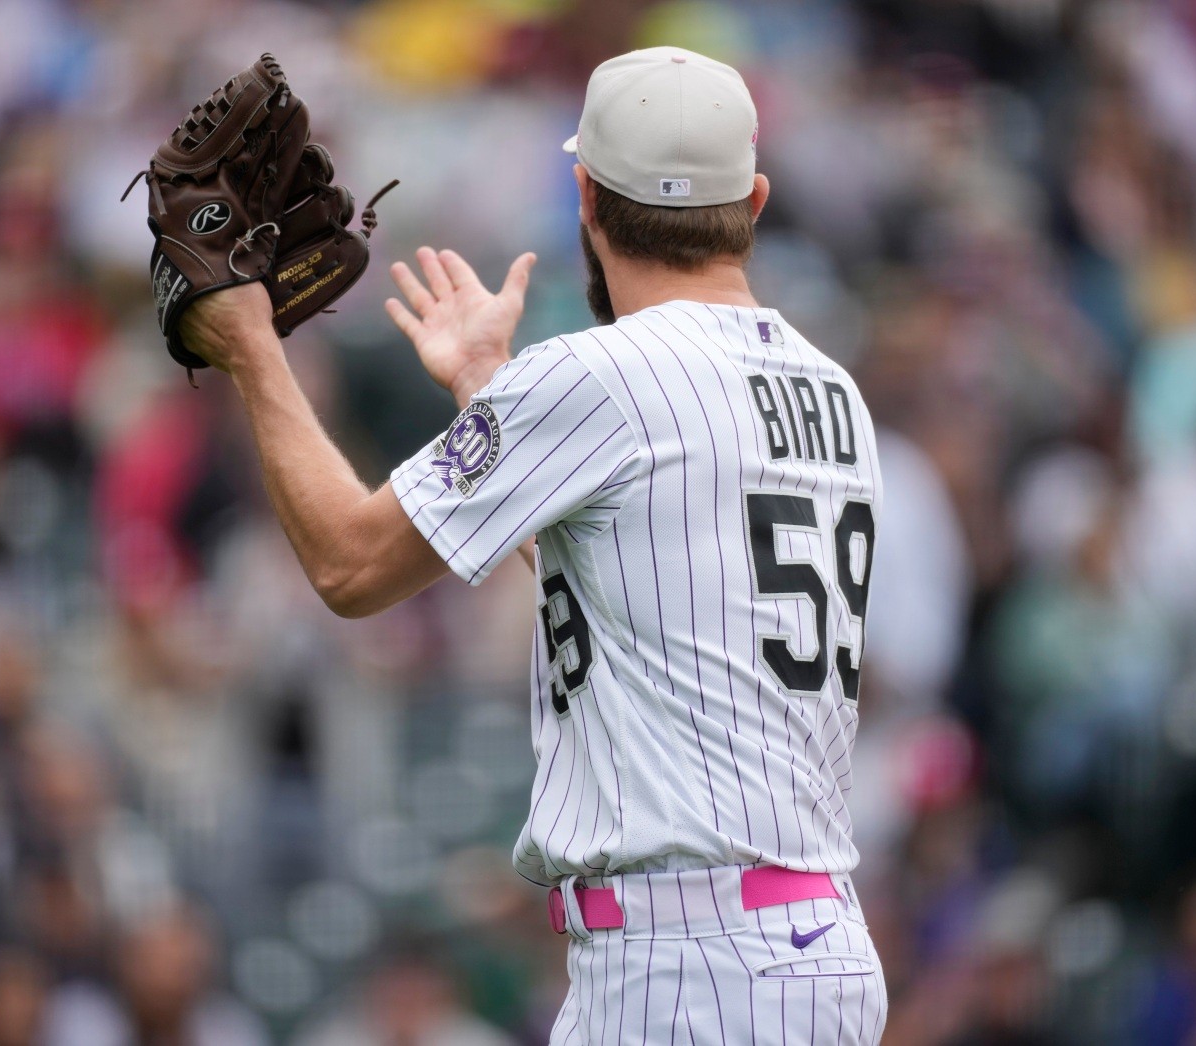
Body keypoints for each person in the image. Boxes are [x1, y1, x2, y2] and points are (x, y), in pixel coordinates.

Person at [176, 46, 887, 1044]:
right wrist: (485, 391)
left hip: (690, 961)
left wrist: (251, 344)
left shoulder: (599, 377)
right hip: (804, 941)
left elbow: (348, 562)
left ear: (586, 196)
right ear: (754, 201)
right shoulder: (834, 392)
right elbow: (626, 581)